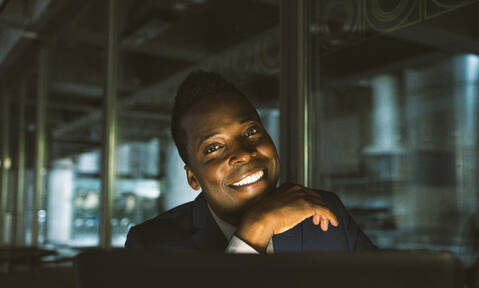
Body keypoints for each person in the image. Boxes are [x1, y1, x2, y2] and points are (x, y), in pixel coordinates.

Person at [125, 71, 376, 253]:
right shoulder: (151, 246)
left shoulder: (323, 212)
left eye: (251, 132)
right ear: (193, 177)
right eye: (214, 147)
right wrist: (255, 230)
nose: (244, 154)